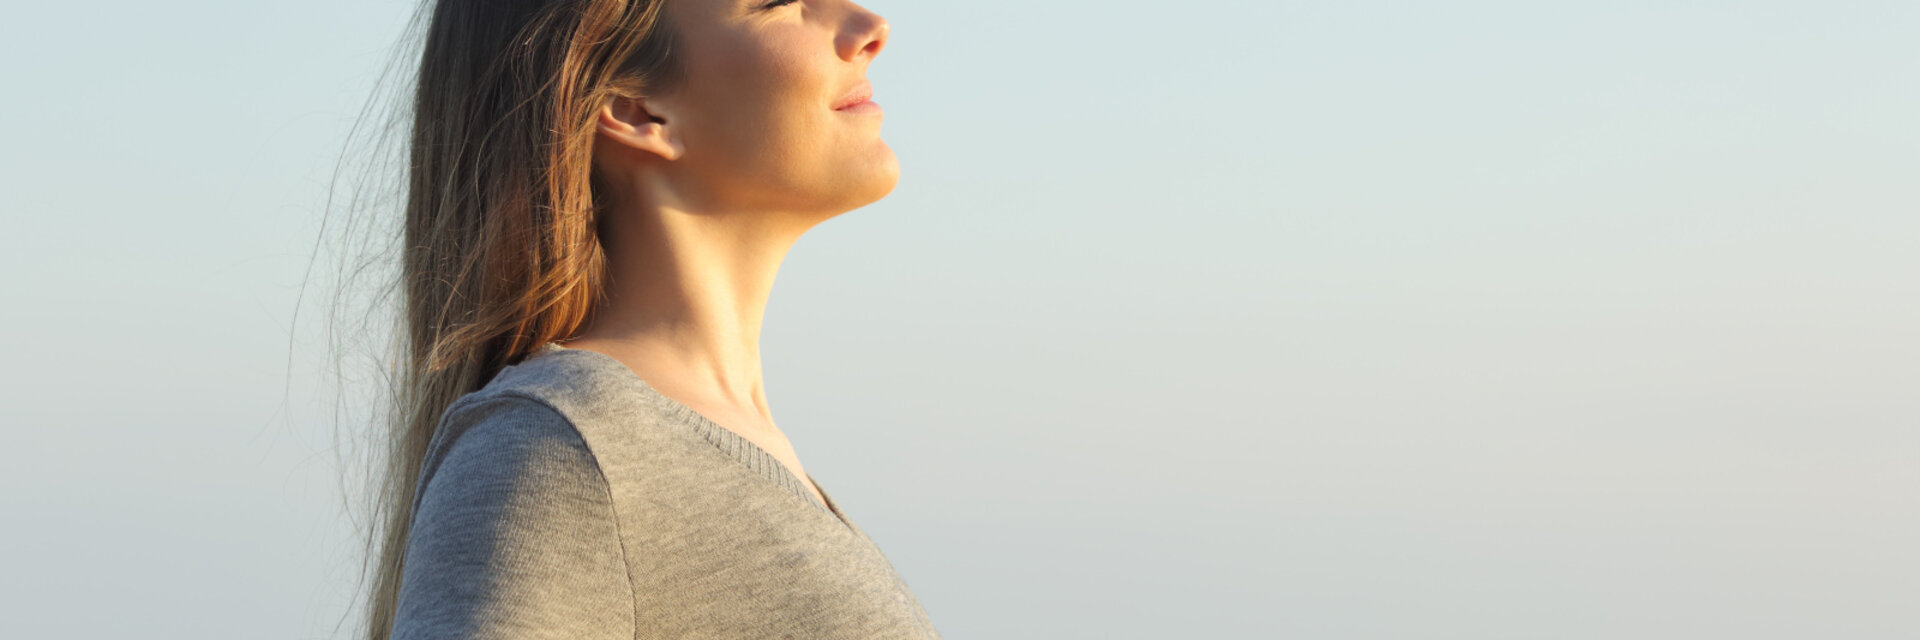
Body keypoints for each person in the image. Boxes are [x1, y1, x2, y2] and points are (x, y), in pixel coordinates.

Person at [354, 0, 937, 638]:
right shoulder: (559, 444)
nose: (868, 28)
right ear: (634, 109)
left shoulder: (674, 450)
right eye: (778, 3)